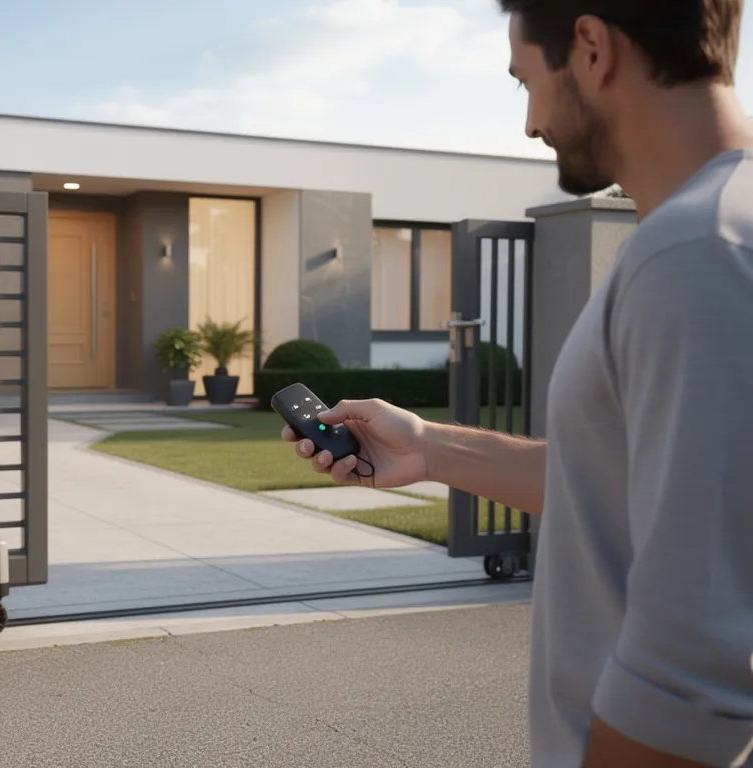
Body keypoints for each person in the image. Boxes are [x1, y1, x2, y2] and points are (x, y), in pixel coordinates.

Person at [284, 1, 753, 766]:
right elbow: (623, 485)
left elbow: (695, 675)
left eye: (526, 82)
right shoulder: (705, 236)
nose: (531, 124)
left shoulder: (697, 252)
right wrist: (428, 446)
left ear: (592, 48)